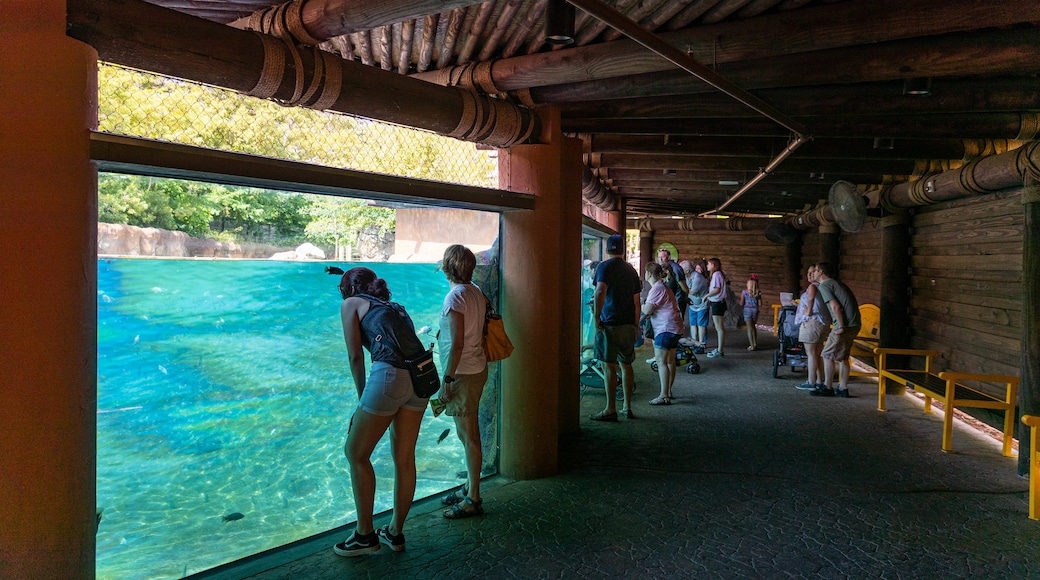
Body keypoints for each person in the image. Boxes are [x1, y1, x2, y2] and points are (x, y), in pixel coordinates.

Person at [334, 267, 428, 557]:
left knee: (355, 453)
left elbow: (355, 356)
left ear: (348, 289)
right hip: (421, 379)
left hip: (389, 379)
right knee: (404, 459)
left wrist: (362, 400)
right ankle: (395, 533)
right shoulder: (395, 307)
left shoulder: (351, 304)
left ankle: (364, 535)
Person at [435, 245, 490, 519]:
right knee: (466, 434)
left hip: (463, 372)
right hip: (476, 368)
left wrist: (447, 379)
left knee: (469, 437)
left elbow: (456, 344)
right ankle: (470, 485)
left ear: (448, 266)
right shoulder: (475, 292)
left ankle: (473, 498)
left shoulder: (455, 297)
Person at [591, 234, 642, 421]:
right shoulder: (631, 270)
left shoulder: (604, 267)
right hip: (628, 324)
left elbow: (600, 290)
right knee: (627, 365)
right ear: (623, 249)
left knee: (608, 367)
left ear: (607, 249)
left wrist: (597, 316)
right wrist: (636, 325)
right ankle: (627, 407)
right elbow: (637, 302)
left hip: (609, 324)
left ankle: (610, 408)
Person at [811, 261, 861, 398]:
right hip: (855, 323)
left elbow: (836, 307)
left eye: (815, 270)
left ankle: (827, 387)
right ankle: (843, 388)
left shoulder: (825, 285)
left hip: (845, 325)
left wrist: (840, 326)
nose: (813, 273)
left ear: (821, 272)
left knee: (826, 355)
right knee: (843, 357)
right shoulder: (836, 283)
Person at [641, 263, 683, 405]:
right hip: (674, 328)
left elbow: (647, 310)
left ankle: (663, 395)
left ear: (649, 274)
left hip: (665, 329)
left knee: (661, 362)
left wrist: (640, 305)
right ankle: (668, 391)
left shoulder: (657, 288)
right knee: (670, 361)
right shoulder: (664, 287)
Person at [795, 265, 831, 391]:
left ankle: (811, 381)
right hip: (822, 323)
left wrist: (808, 311)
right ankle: (820, 380)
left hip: (812, 322)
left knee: (810, 353)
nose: (810, 275)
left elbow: (811, 299)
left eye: (812, 272)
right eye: (808, 273)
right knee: (817, 353)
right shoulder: (824, 286)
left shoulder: (812, 286)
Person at [657, 248, 689, 323]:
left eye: (663, 257)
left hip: (677, 299)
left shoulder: (676, 268)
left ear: (669, 257)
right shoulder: (663, 268)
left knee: (677, 322)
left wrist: (687, 295)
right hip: (669, 300)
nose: (660, 259)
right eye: (659, 257)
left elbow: (683, 285)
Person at [705, 257, 728, 358]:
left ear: (713, 265)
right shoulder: (718, 274)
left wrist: (706, 296)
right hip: (719, 303)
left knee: (719, 328)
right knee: (719, 327)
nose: (707, 266)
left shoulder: (716, 274)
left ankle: (719, 350)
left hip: (717, 303)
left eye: (709, 264)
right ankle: (720, 349)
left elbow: (717, 289)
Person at [685, 259, 710, 351]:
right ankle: (694, 342)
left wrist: (685, 290)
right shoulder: (687, 276)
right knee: (693, 324)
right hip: (692, 304)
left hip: (702, 304)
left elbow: (693, 292)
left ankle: (701, 344)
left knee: (701, 325)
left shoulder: (697, 277)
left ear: (687, 270)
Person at [740, 274, 762, 350]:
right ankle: (755, 343)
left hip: (747, 311)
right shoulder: (758, 293)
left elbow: (741, 303)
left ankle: (752, 345)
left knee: (749, 328)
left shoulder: (744, 292)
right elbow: (760, 304)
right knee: (753, 327)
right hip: (755, 311)